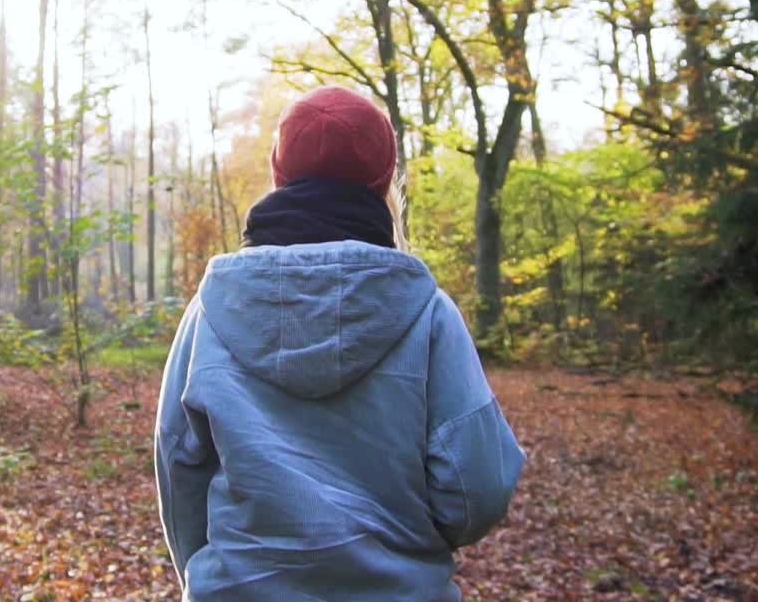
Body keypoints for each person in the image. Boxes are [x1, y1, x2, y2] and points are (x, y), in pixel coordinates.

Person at [154, 85, 526, 601]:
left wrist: (211, 573)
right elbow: (479, 487)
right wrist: (404, 549)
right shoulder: (429, 314)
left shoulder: (211, 312)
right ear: (384, 181)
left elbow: (178, 469)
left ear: (278, 171)